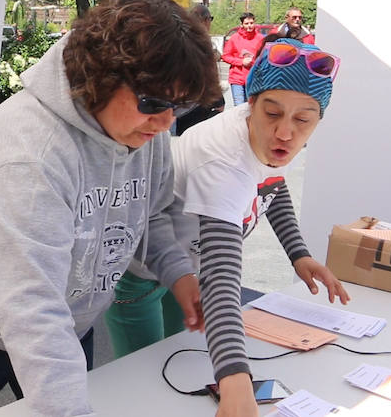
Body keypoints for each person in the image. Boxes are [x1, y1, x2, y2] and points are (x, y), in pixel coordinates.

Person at [0, 0, 221, 417]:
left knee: (61, 390)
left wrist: (178, 273)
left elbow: (151, 211)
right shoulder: (31, 151)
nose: (167, 121)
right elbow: (31, 305)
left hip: (69, 315)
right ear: (100, 78)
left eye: (180, 105)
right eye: (153, 104)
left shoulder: (146, 124)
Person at [105, 37, 350, 417]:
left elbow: (272, 183)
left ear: (319, 119)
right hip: (141, 271)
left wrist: (299, 254)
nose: (286, 133)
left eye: (303, 119)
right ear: (250, 103)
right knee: (139, 385)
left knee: (179, 367)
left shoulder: (265, 137)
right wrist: (236, 379)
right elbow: (223, 275)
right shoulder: (222, 162)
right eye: (273, 114)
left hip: (189, 270)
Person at [174, 4, 226, 135]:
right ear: (206, 20)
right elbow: (210, 76)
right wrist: (219, 100)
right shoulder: (202, 42)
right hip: (201, 102)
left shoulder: (178, 38)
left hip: (182, 103)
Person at [222, 12, 264, 106]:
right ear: (242, 25)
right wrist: (241, 62)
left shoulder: (260, 38)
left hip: (253, 78)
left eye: (251, 23)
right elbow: (225, 56)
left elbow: (264, 56)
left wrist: (254, 62)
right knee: (239, 108)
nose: (249, 26)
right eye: (246, 23)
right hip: (237, 78)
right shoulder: (234, 38)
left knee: (251, 107)